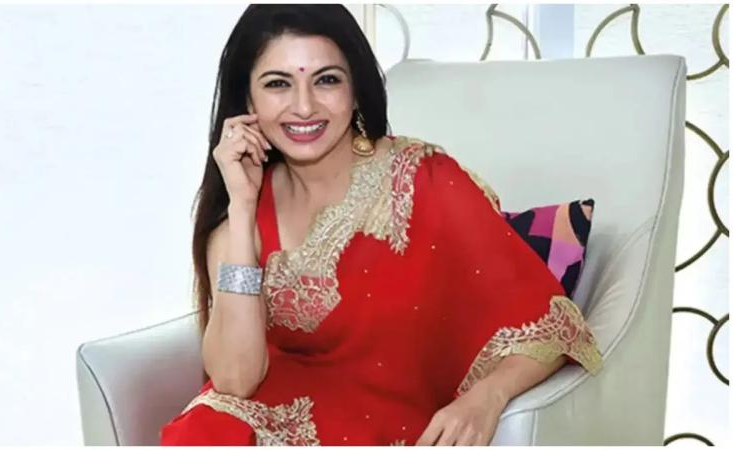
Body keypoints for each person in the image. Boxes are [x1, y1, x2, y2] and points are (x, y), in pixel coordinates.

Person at [160, 4, 603, 446]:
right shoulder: (243, 210)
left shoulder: (422, 180)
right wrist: (241, 207)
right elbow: (235, 379)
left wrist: (487, 397)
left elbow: (548, 325)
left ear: (356, 89)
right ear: (247, 102)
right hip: (246, 424)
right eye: (278, 84)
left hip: (381, 428)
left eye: (327, 80)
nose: (304, 106)